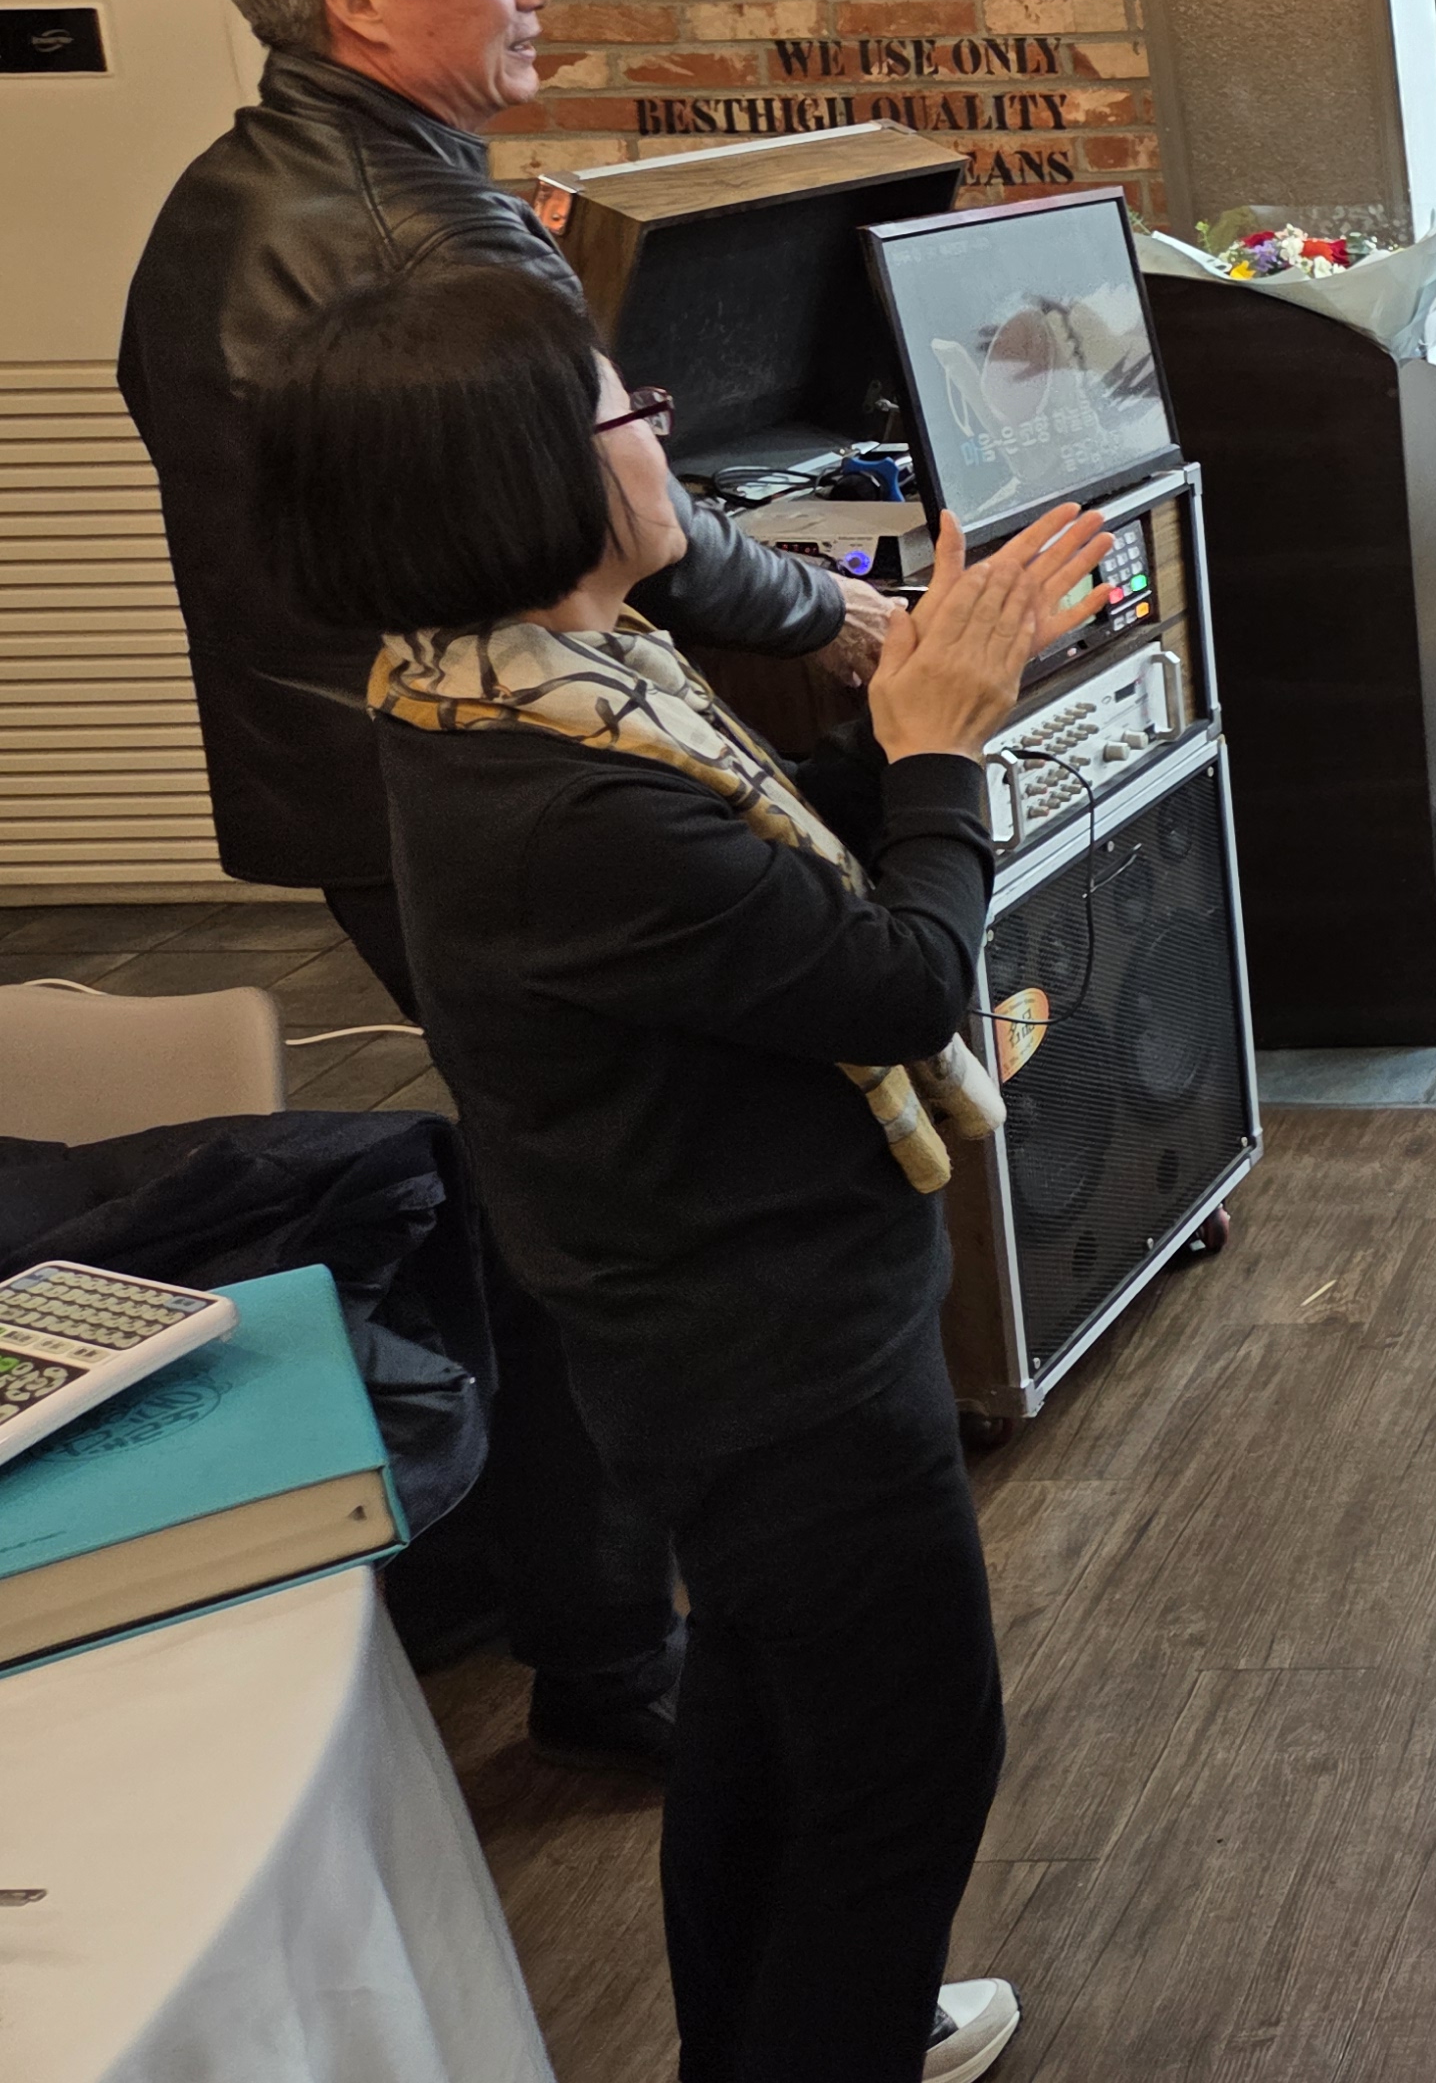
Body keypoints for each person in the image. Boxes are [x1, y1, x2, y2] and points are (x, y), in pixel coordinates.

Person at [258, 258, 1112, 2083]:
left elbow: (782, 892)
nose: (659, 432)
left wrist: (917, 720)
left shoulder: (509, 686)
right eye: (621, 408)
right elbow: (893, 980)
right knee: (903, 1763)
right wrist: (939, 750)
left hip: (706, 1321)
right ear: (524, 477)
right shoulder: (566, 795)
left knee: (768, 1717)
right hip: (769, 1348)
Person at [118, 0, 888, 1774]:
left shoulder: (224, 193)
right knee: (618, 1214)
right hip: (469, 772)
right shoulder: (416, 234)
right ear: (361, 1)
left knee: (552, 1183)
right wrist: (846, 621)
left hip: (358, 774)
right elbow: (631, 521)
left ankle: (553, 1589)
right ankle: (617, 1654)